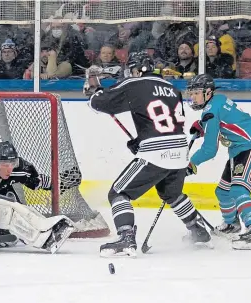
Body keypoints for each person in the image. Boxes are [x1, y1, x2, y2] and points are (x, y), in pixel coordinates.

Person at [87, 51, 212, 258]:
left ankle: (126, 237)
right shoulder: (173, 89)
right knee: (172, 194)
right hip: (180, 151)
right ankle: (198, 230)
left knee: (118, 193)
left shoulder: (134, 84)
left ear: (137, 70)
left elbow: (100, 103)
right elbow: (164, 123)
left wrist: (94, 92)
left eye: (132, 70)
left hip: (156, 152)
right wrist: (141, 139)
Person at [186, 74, 251, 250]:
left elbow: (210, 150)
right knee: (223, 191)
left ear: (208, 93)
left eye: (196, 93)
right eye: (190, 93)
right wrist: (202, 125)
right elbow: (224, 119)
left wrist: (191, 163)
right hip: (239, 149)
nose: (192, 97)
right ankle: (232, 225)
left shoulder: (210, 112)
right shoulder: (217, 100)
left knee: (238, 189)